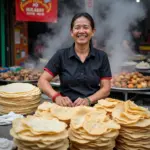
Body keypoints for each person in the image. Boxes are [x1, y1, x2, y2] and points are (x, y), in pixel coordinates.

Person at [38, 12, 112, 107]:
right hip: (66, 109)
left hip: (93, 110)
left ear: (93, 31)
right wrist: (56, 96)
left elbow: (106, 89)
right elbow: (42, 81)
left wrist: (89, 100)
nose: (81, 31)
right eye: (77, 27)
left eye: (85, 27)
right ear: (72, 32)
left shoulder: (101, 56)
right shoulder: (61, 55)